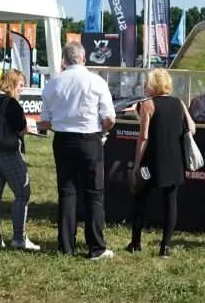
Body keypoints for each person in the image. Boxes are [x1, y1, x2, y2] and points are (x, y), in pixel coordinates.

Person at [38, 41, 116, 260]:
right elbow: (110, 118)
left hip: (63, 139)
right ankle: (96, 247)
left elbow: (45, 121)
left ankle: (65, 246)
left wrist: (61, 124)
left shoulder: (53, 83)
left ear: (64, 60)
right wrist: (101, 131)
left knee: (67, 192)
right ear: (84, 58)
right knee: (94, 193)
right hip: (90, 138)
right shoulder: (96, 81)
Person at [127, 68, 194, 258]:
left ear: (153, 85)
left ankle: (136, 242)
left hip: (151, 162)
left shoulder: (148, 105)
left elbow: (143, 137)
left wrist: (137, 164)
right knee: (170, 202)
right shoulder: (179, 103)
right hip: (174, 160)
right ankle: (165, 246)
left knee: (140, 198)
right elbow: (192, 128)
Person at [0, 68, 40, 251]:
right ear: (12, 84)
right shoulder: (10, 103)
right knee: (22, 193)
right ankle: (18, 238)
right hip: (7, 153)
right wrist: (28, 128)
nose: (22, 89)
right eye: (20, 85)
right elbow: (20, 128)